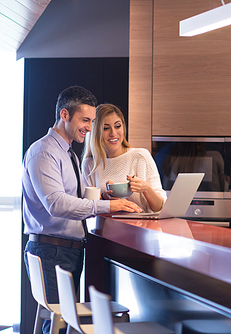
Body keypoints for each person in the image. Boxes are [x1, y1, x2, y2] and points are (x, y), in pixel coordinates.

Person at [22, 87, 141, 334]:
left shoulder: (69, 154)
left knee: (59, 325)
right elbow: (56, 203)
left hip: (64, 251)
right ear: (65, 114)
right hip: (52, 251)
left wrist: (102, 193)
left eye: (91, 121)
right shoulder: (44, 152)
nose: (89, 127)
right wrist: (109, 205)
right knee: (57, 325)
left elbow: (74, 195)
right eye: (84, 120)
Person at [82, 103, 166, 212]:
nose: (113, 133)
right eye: (106, 128)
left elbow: (160, 207)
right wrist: (104, 198)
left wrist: (146, 188)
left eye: (118, 126)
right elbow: (87, 209)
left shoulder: (141, 156)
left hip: (141, 227)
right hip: (105, 227)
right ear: (96, 132)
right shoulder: (90, 164)